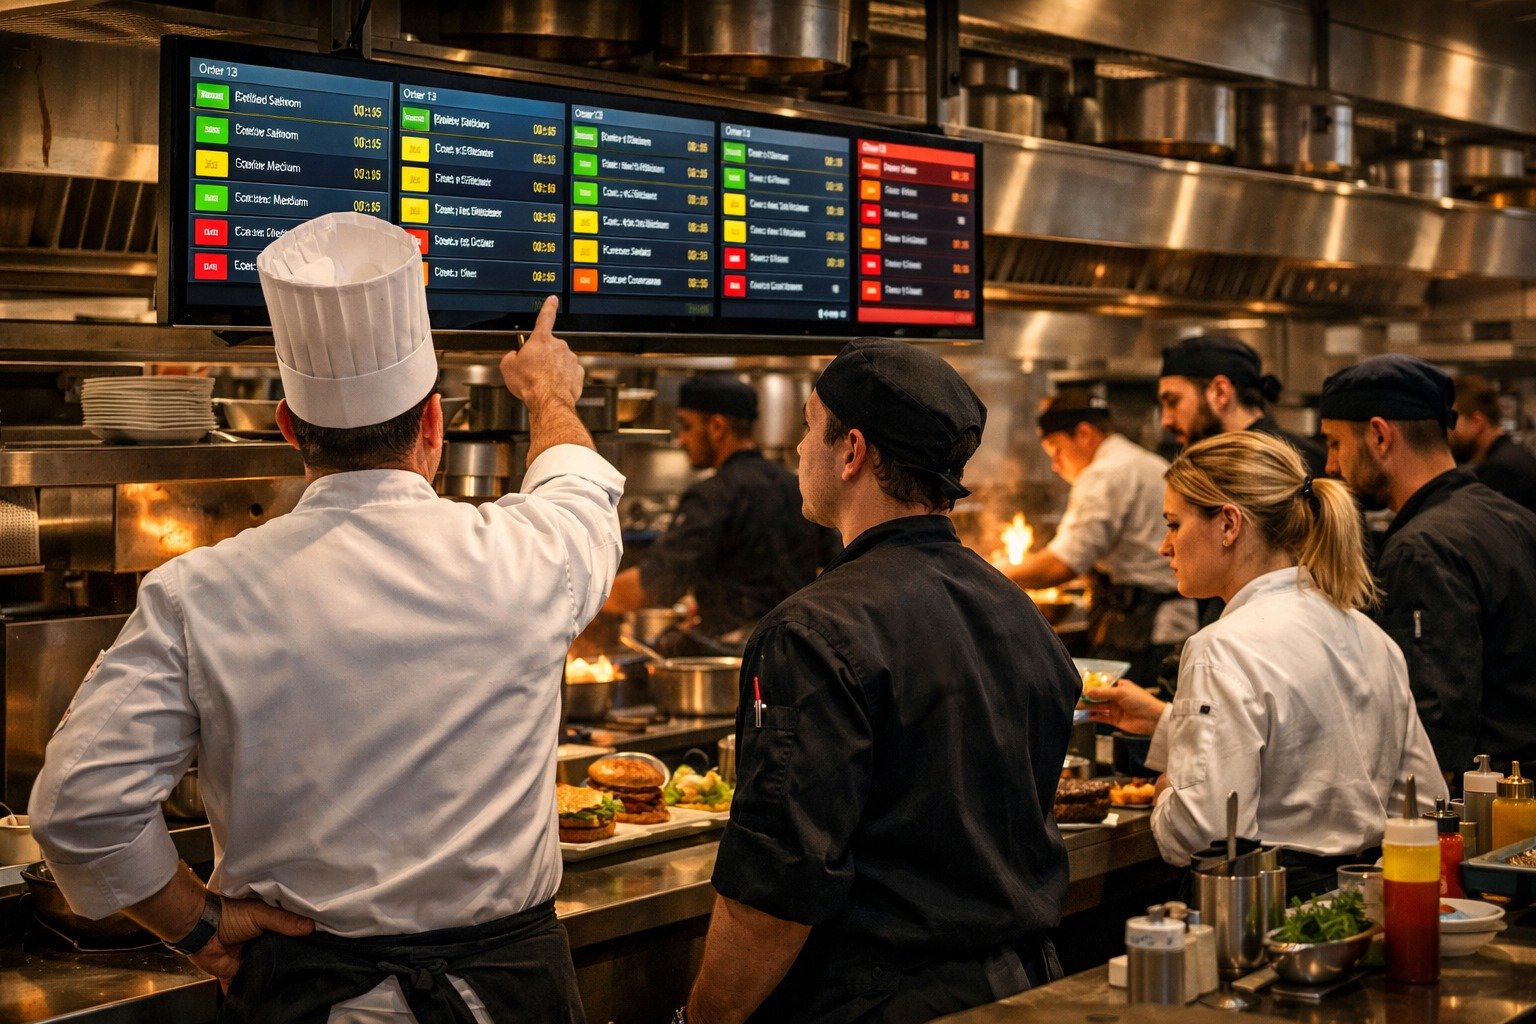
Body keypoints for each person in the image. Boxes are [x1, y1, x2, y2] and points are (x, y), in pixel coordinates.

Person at [29, 213, 623, 1024]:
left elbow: (78, 808)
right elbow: (578, 488)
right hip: (505, 1000)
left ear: (288, 429)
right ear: (434, 425)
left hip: (304, 1000)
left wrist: (199, 924)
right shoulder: (528, 556)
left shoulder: (198, 591)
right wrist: (549, 393)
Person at [681, 339, 1080, 1024]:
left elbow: (777, 889)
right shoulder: (1016, 609)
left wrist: (700, 1019)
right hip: (1025, 986)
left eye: (808, 427)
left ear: (852, 451)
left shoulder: (810, 632)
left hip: (884, 1001)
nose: (798, 450)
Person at [1084, 431, 1446, 899]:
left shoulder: (1221, 648)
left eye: (1173, 524)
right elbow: (1422, 799)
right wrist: (1167, 724)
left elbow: (1200, 831)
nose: (1164, 547)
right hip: (1364, 898)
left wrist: (1167, 789)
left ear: (1228, 524)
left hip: (1265, 908)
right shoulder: (1369, 635)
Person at [1319, 354, 1536, 782]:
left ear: (1379, 436)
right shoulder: (1514, 516)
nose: (1329, 466)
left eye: (1335, 443)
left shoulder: (1420, 550)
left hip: (1490, 801)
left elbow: (1435, 733)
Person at [604, 374, 838, 647]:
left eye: (686, 426)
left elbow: (655, 585)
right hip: (794, 647)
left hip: (728, 656)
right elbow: (833, 568)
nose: (681, 439)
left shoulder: (713, 496)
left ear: (717, 427)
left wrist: (591, 600)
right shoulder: (796, 486)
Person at [1006, 391, 1194, 686]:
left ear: (1084, 433)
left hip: (1142, 633)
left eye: (1056, 449)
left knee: (1113, 708)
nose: (1055, 464)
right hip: (1171, 627)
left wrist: (989, 575)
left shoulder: (1104, 474)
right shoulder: (1143, 461)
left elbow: (1062, 564)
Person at [1157, 334, 1327, 475]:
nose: (1165, 421)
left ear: (1220, 392)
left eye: (1173, 401)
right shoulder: (1209, 464)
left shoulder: (1296, 464)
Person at [1449, 374, 1536, 516]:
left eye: (1452, 421)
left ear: (1477, 422)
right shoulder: (1508, 455)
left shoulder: (1500, 469)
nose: (1448, 431)